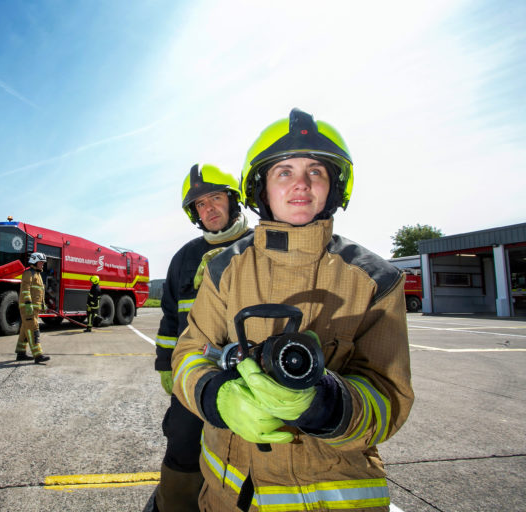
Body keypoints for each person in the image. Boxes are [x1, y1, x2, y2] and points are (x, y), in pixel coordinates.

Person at [171, 108, 414, 512]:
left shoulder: (376, 280)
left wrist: (324, 403)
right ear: (261, 188)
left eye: (315, 171)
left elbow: (390, 398)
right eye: (283, 171)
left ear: (333, 186)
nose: (301, 183)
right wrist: (218, 397)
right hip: (229, 497)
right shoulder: (221, 269)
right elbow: (189, 352)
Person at [147, 164, 253, 512]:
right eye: (200, 205)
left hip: (252, 376)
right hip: (194, 373)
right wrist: (166, 364)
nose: (209, 209)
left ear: (233, 200)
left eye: (216, 198)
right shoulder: (185, 258)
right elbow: (169, 319)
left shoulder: (263, 246)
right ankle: (176, 503)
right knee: (182, 437)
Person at [16, 252, 51, 364]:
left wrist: (43, 304)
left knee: (25, 329)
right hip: (27, 307)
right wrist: (28, 304)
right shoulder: (28, 273)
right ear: (35, 261)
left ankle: (21, 353)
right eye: (41, 262)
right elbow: (25, 290)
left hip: (33, 308)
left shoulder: (38, 274)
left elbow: (39, 292)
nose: (43, 265)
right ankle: (38, 355)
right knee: (33, 329)